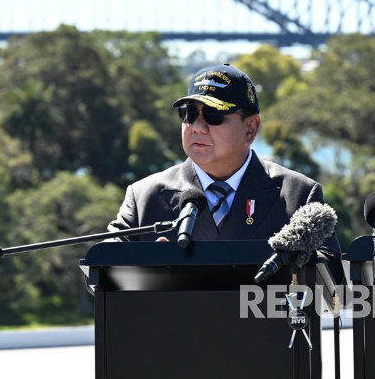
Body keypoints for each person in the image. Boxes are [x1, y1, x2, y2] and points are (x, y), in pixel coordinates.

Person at [108, 63, 341, 270]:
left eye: (213, 115)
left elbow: (331, 280)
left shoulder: (296, 194)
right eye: (189, 114)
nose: (197, 127)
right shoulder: (145, 197)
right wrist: (147, 266)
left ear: (250, 128)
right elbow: (102, 272)